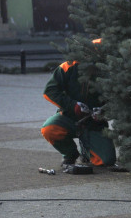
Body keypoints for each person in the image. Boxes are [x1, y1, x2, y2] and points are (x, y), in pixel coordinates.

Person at [41, 39, 119, 174]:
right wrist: (73, 105)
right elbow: (49, 91)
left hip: (95, 123)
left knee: (106, 161)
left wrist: (104, 111)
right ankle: (70, 154)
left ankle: (86, 151)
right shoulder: (68, 67)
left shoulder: (109, 71)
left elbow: (118, 98)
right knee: (49, 129)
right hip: (69, 116)